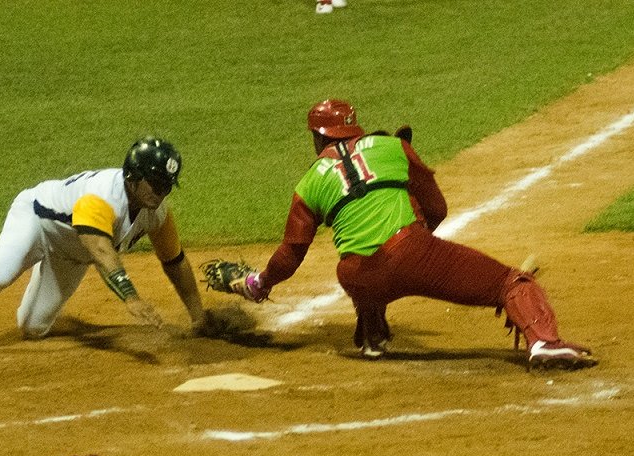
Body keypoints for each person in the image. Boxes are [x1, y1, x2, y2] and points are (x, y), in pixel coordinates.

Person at [233, 99, 597, 370]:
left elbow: (290, 254)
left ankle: (373, 336)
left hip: (357, 279)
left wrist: (258, 284)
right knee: (512, 283)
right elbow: (437, 208)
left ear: (317, 137)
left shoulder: (309, 182)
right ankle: (545, 344)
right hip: (413, 253)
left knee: (357, 263)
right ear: (355, 127)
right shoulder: (394, 147)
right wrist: (418, 244)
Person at [0, 136, 205, 353]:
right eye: (156, 184)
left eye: (167, 186)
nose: (161, 192)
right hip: (36, 221)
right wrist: (130, 297)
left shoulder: (158, 215)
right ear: (132, 177)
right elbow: (100, 250)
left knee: (33, 328)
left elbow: (175, 262)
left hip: (71, 255)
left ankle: (42, 276)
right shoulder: (101, 197)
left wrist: (197, 316)